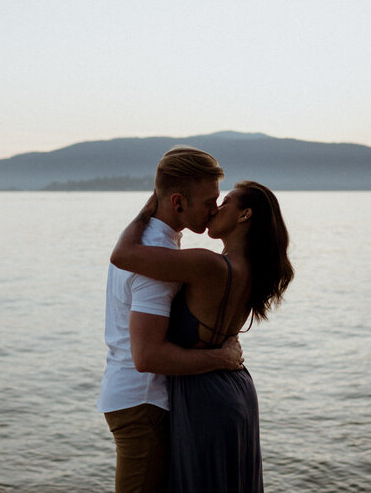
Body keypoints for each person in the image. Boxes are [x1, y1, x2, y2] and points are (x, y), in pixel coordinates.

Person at [111, 180, 294, 493]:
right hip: (235, 389)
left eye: (226, 204)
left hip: (205, 395)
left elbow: (123, 255)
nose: (215, 209)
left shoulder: (208, 264)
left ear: (244, 215)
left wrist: (150, 207)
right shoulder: (251, 269)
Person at [97, 147, 244, 493]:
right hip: (142, 405)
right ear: (177, 202)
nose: (214, 210)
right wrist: (220, 358)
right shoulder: (156, 262)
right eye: (208, 201)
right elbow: (147, 356)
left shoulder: (149, 240)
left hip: (135, 400)